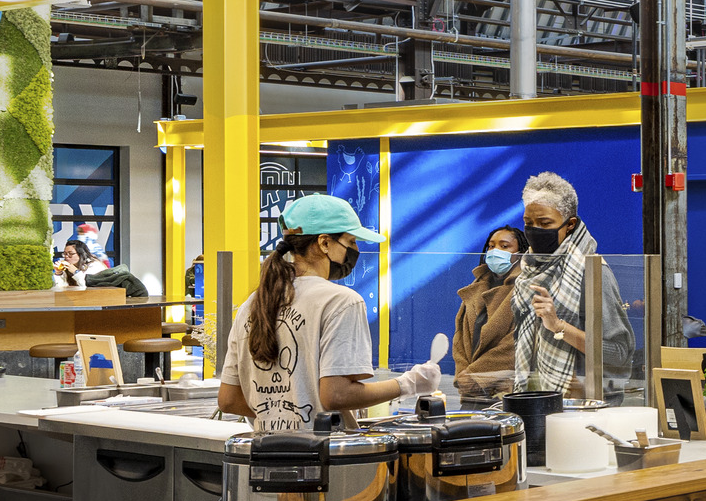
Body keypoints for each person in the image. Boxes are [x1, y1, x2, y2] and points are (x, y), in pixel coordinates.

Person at [217, 194, 440, 431]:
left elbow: (229, 400)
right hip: (326, 455)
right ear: (324, 243)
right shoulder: (342, 301)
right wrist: (410, 383)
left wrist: (281, 412)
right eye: (351, 241)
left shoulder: (252, 304)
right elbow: (337, 395)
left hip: (266, 452)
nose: (355, 250)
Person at [513, 171, 634, 395]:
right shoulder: (528, 270)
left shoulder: (593, 272)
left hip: (585, 400)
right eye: (528, 223)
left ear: (570, 225)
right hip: (537, 396)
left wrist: (558, 325)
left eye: (545, 223)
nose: (534, 230)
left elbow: (618, 353)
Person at [453, 225, 526, 397]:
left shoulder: (526, 288)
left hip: (506, 391)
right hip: (472, 391)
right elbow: (460, 338)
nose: (495, 251)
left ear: (521, 252)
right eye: (491, 246)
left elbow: (516, 343)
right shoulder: (475, 288)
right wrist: (464, 375)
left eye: (504, 246)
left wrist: (477, 376)